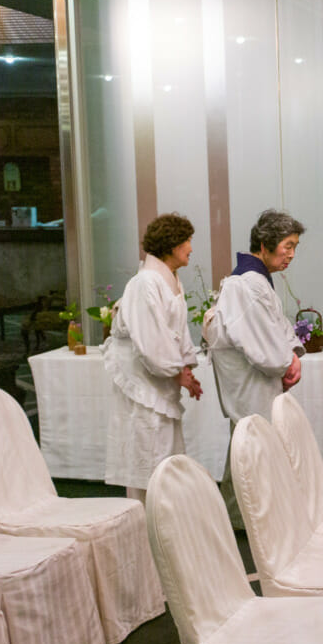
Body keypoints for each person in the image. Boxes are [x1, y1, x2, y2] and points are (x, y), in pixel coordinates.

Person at [204, 209, 306, 524]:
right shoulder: (245, 283)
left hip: (258, 381)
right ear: (264, 243)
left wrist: (292, 353)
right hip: (251, 383)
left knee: (250, 449)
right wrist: (286, 360)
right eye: (287, 245)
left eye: (294, 247)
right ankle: (245, 521)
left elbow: (277, 329)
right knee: (252, 450)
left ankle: (240, 518)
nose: (291, 254)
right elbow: (260, 343)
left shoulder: (256, 280)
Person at [103, 212, 203, 502]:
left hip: (161, 381)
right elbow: (151, 340)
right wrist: (176, 370)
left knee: (165, 459)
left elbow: (176, 332)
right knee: (146, 458)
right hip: (145, 384)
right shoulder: (144, 282)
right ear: (172, 245)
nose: (191, 248)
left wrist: (185, 368)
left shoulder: (170, 280)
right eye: (187, 241)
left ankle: (166, 526)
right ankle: (144, 534)